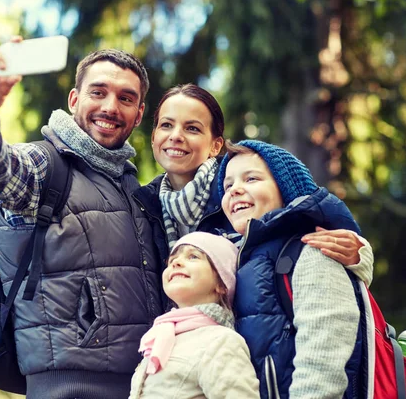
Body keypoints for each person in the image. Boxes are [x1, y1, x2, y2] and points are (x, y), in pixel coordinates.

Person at [0, 44, 163, 398]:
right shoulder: (44, 166)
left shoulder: (133, 188)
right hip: (66, 389)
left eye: (126, 98)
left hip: (141, 386)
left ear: (139, 112)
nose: (110, 107)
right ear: (74, 100)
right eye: (98, 92)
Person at [133, 84, 374, 295]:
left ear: (216, 145)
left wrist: (360, 257)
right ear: (154, 136)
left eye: (192, 128)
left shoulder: (240, 191)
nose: (176, 136)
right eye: (166, 125)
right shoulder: (142, 205)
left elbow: (310, 214)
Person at [218, 139, 368, 398]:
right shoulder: (234, 259)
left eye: (251, 179)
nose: (235, 190)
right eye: (228, 185)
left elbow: (323, 361)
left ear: (286, 189)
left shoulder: (312, 252)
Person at [128, 232, 260, 399]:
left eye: (193, 256)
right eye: (171, 260)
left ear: (222, 283)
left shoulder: (221, 341)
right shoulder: (160, 336)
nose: (176, 262)